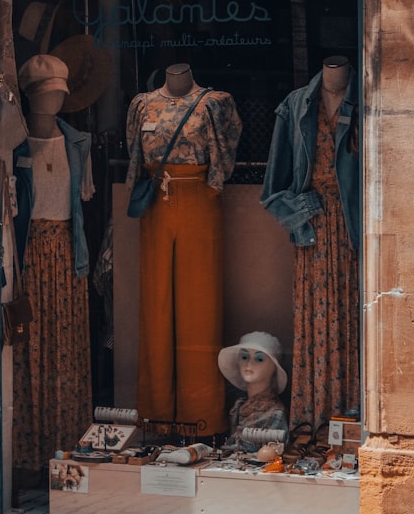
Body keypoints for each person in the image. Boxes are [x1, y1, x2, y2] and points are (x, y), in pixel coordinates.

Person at [124, 63, 242, 436]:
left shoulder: (215, 103)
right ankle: (156, 416)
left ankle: (200, 416)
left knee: (199, 307)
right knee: (155, 306)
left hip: (198, 200)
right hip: (157, 203)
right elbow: (134, 157)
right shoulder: (141, 105)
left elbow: (225, 158)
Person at [260, 56, 360, 433]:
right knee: (316, 321)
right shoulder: (296, 104)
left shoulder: (366, 101)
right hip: (313, 230)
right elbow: (273, 186)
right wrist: (302, 207)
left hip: (353, 231)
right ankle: (312, 422)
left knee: (351, 321)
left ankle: (349, 422)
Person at [11, 54, 94, 488]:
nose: (55, 102)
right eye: (47, 95)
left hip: (66, 258)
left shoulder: (77, 143)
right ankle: (29, 454)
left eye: (59, 94)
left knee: (66, 348)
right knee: (29, 350)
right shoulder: (14, 147)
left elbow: (81, 211)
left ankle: (67, 446)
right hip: (29, 260)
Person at [217, 331, 289, 453]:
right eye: (244, 357)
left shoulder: (274, 413)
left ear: (273, 367)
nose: (249, 364)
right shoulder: (238, 406)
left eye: (259, 359)